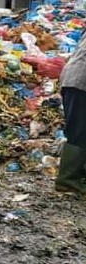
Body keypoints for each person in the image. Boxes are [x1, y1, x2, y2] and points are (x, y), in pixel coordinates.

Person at [55, 37, 86, 193]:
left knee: (79, 129)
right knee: (79, 131)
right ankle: (68, 179)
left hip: (73, 79)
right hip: (81, 82)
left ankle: (77, 173)